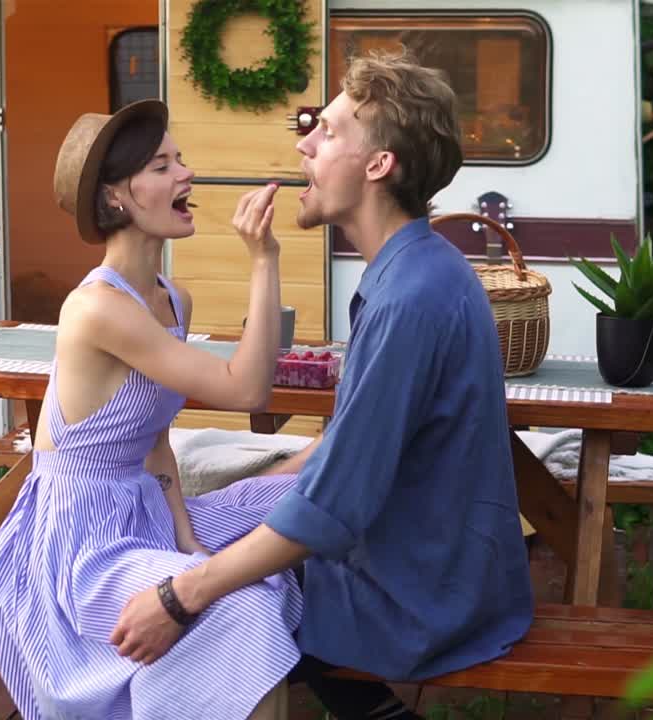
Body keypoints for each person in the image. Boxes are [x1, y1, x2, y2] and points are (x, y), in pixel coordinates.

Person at [110, 51, 535, 720]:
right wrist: (241, 492)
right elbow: (344, 450)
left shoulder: (410, 299)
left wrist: (179, 598)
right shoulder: (414, 271)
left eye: (328, 131)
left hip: (420, 594)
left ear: (377, 166)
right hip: (441, 567)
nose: (304, 141)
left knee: (217, 617)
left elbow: (334, 509)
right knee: (215, 549)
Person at [0, 99, 304, 719]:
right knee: (244, 601)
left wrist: (185, 541)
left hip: (144, 511)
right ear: (117, 196)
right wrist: (264, 258)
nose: (186, 175)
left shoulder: (174, 299)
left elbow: (156, 441)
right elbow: (245, 390)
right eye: (161, 165)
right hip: (78, 543)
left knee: (291, 504)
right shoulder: (98, 309)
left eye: (180, 159)